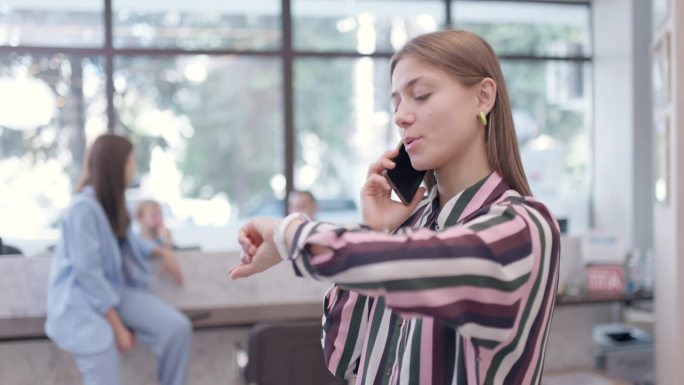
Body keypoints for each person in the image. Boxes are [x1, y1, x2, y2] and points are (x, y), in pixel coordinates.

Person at [230, 30, 560, 385]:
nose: (401, 117)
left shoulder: (524, 227)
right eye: (396, 104)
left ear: (483, 97)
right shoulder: (408, 230)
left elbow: (428, 264)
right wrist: (376, 231)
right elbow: (343, 358)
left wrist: (288, 236)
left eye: (420, 95)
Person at [45, 134, 192, 385]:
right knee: (103, 355)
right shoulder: (83, 209)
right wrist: (118, 327)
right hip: (79, 301)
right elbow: (87, 273)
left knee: (176, 329)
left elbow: (129, 240)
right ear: (117, 165)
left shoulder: (109, 205)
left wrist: (161, 251)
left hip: (111, 291)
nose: (134, 167)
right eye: (131, 161)